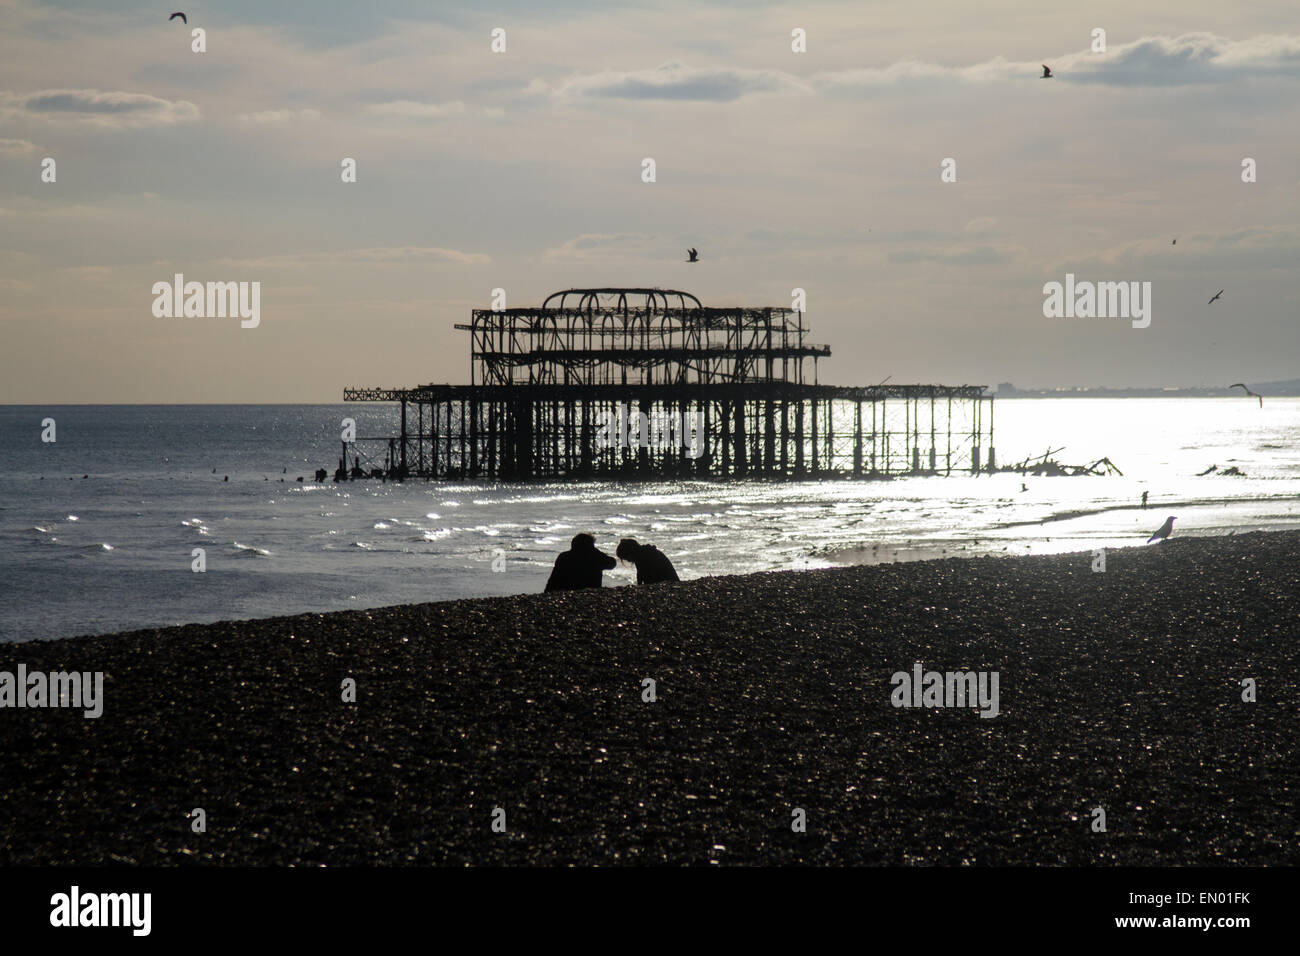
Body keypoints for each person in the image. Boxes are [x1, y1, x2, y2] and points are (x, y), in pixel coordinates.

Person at [544, 533, 616, 592]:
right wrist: (597, 552)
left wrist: (547, 593)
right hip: (591, 593)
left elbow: (553, 579)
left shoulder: (564, 556)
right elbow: (612, 563)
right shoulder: (595, 556)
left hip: (567, 592)